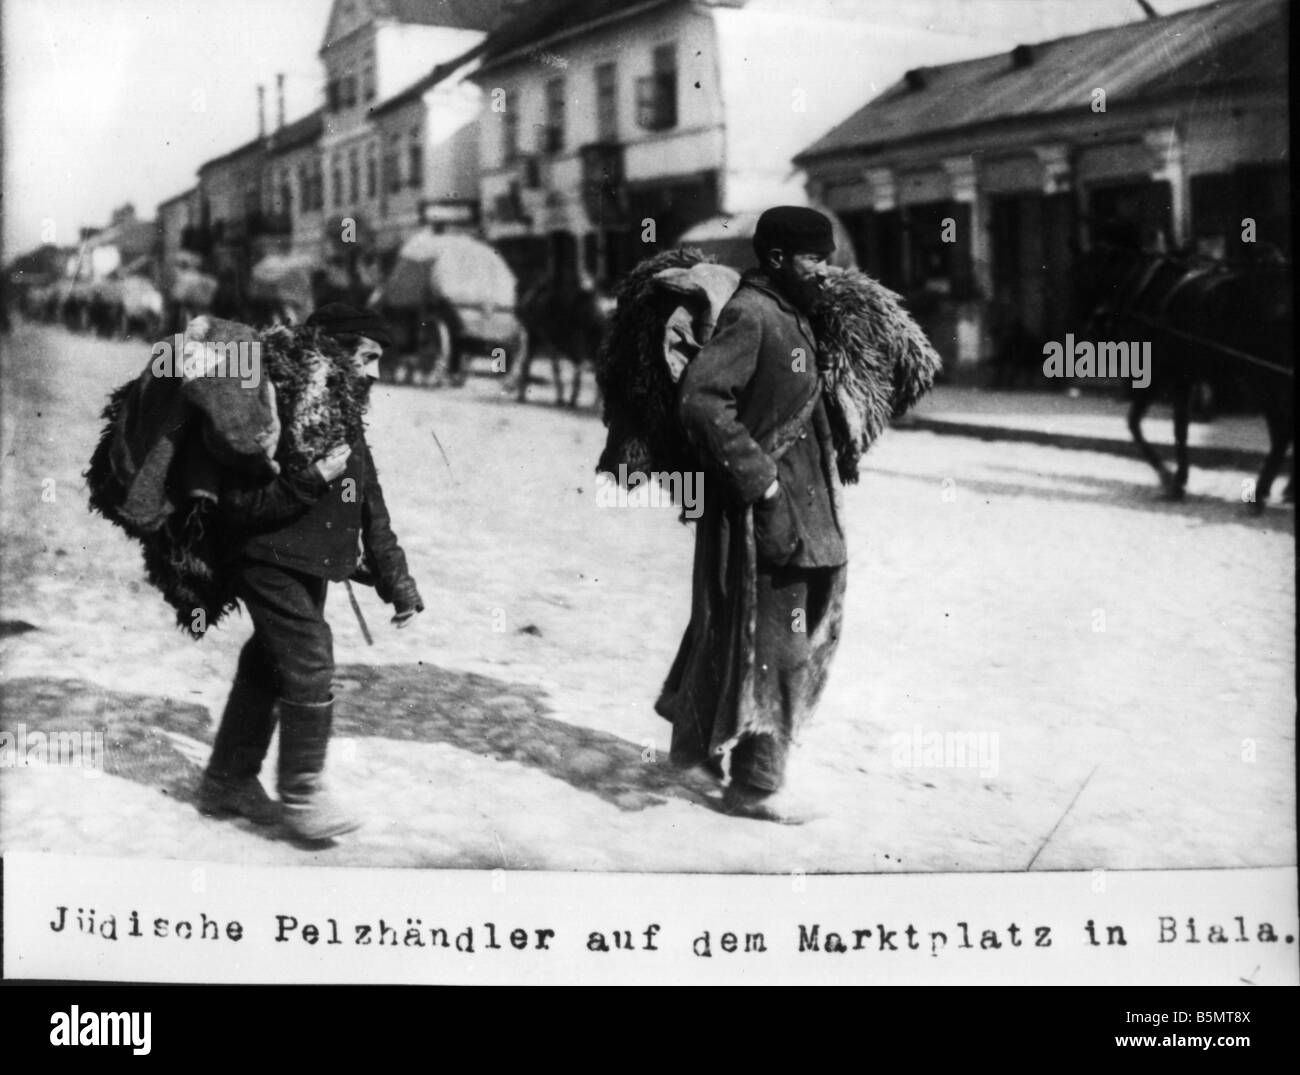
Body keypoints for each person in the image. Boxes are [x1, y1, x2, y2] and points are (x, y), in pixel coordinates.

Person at [198, 303, 424, 840]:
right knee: (309, 658)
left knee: (269, 663)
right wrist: (311, 479)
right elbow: (239, 507)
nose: (375, 373)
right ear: (333, 350)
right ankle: (303, 794)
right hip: (263, 557)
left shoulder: (343, 411)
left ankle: (227, 780)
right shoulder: (272, 405)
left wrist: (398, 583)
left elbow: (370, 501)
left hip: (309, 563)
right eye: (367, 357)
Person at [658, 206, 847, 824]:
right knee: (781, 644)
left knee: (751, 623)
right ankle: (755, 785)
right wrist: (760, 483)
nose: (826, 270)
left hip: (806, 509)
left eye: (827, 256)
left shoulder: (795, 314)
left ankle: (693, 737)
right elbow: (703, 400)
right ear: (776, 260)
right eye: (813, 258)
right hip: (767, 512)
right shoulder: (754, 313)